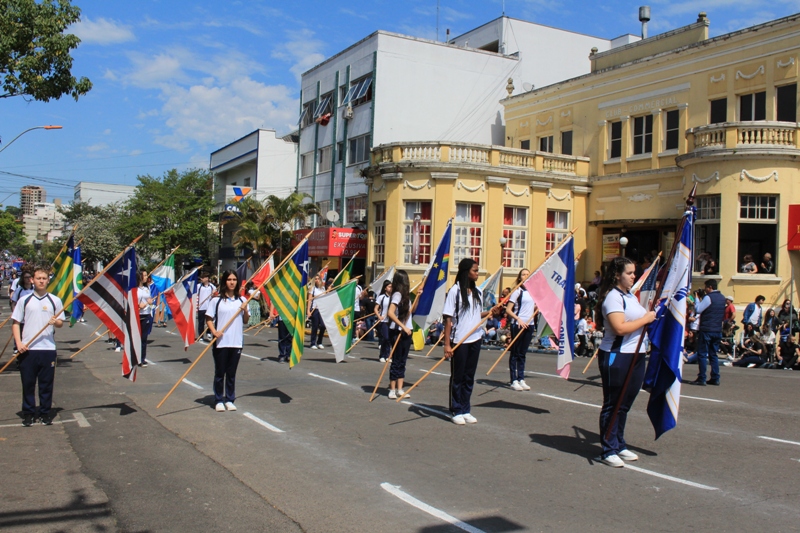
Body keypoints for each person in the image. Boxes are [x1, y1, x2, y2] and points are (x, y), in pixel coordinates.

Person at [594, 256, 656, 467]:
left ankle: (618, 443)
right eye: (629, 273)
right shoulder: (613, 297)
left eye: (633, 273)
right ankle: (608, 449)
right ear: (617, 275)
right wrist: (645, 319)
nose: (633, 276)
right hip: (617, 354)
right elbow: (619, 327)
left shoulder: (630, 296)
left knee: (625, 404)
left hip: (636, 354)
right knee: (613, 403)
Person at [442, 258, 497, 425]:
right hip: (460, 340)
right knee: (457, 376)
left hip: (475, 338)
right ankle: (456, 409)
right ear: (466, 272)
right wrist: (447, 344)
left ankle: (466, 409)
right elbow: (448, 319)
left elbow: (475, 315)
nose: (477, 273)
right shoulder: (454, 291)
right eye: (475, 270)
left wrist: (490, 312)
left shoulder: (478, 292)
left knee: (469, 376)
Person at [11, 265, 65, 426]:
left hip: (47, 349)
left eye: (44, 278)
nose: (41, 281)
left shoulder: (55, 300)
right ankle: (28, 413)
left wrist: (56, 322)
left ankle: (45, 413)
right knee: (28, 383)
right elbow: (16, 323)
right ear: (32, 280)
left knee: (46, 384)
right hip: (28, 349)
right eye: (38, 278)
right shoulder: (24, 300)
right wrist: (19, 343)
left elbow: (61, 323)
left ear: (48, 281)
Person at [205, 270, 249, 412]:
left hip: (236, 342)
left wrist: (245, 310)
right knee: (220, 372)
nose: (232, 282)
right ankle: (218, 399)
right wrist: (214, 332)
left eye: (234, 280)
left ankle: (230, 399)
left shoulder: (242, 300)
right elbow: (209, 319)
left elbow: (246, 320)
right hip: (221, 342)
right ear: (225, 281)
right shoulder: (216, 300)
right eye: (229, 279)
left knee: (231, 373)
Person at [386, 270, 419, 399]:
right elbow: (390, 313)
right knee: (396, 360)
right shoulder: (397, 295)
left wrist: (418, 297)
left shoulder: (406, 296)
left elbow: (412, 310)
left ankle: (400, 389)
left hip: (407, 331)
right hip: (397, 331)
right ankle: (392, 389)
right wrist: (402, 326)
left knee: (403, 361)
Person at [691, 279, 726, 386]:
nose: (705, 289)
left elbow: (698, 309)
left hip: (707, 329)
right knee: (713, 354)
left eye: (706, 287)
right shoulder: (722, 298)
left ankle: (702, 377)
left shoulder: (708, 297)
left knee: (702, 354)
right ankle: (715, 377)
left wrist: (697, 298)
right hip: (717, 329)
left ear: (710, 287)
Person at [505, 269, 536, 391]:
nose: (526, 276)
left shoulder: (533, 291)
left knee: (523, 353)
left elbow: (531, 307)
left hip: (530, 324)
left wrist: (537, 308)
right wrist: (518, 319)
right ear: (519, 277)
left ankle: (521, 378)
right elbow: (508, 310)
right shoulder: (517, 291)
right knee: (515, 353)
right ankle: (513, 380)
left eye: (528, 274)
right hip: (518, 324)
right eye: (523, 274)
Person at [137, 272, 155, 367]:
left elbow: (150, 300)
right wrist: (138, 305)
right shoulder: (134, 289)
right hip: (137, 316)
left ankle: (142, 359)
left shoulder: (147, 289)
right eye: (144, 275)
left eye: (146, 275)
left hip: (146, 315)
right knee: (136, 338)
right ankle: (135, 358)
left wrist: (150, 302)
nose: (146, 277)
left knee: (144, 338)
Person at [374, 280, 392, 362]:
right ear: (385, 288)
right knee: (385, 338)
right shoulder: (381, 297)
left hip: (391, 321)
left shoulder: (394, 297)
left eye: (392, 287)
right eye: (389, 286)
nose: (391, 288)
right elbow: (376, 309)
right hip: (383, 321)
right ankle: (382, 355)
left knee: (389, 339)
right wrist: (379, 316)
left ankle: (388, 355)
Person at [307, 276, 326, 349]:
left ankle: (319, 342)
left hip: (322, 309)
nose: (317, 280)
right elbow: (309, 300)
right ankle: (313, 343)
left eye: (318, 279)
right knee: (315, 326)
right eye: (315, 279)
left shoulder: (323, 289)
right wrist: (308, 311)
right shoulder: (313, 289)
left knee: (323, 326)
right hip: (315, 309)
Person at [197, 272, 216, 342]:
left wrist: (214, 293)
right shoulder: (199, 286)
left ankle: (208, 332)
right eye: (201, 278)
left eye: (203, 278)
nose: (201, 279)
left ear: (207, 278)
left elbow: (216, 295)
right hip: (201, 307)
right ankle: (201, 336)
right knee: (201, 322)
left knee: (209, 321)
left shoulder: (212, 286)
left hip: (209, 308)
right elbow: (195, 294)